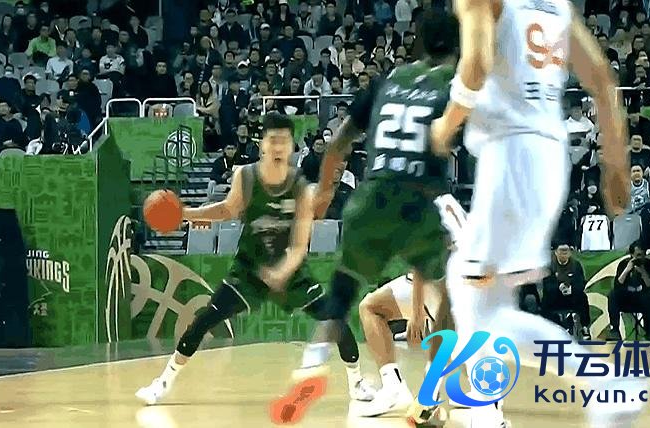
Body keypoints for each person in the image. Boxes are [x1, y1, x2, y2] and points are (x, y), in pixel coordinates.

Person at [425, 0, 639, 426]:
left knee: (468, 291)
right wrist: (616, 161)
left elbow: (476, 65)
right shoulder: (557, 5)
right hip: (549, 155)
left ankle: (598, 385)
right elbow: (601, 78)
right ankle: (591, 389)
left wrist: (445, 126)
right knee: (488, 302)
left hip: (510, 155)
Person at [269, 11, 458, 424]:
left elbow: (338, 142)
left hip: (368, 200)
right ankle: (431, 393)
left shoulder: (387, 81)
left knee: (342, 295)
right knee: (445, 303)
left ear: (418, 43)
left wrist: (324, 191)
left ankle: (313, 364)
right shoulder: (454, 85)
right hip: (419, 200)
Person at [135, 113, 375, 406]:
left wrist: (281, 272)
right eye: (272, 140)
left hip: (291, 273)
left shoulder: (301, 186)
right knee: (204, 320)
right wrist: (186, 214)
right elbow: (227, 210)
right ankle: (162, 383)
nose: (278, 147)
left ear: (291, 147)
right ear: (262, 144)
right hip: (249, 270)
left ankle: (357, 383)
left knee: (335, 319)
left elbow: (300, 244)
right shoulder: (245, 176)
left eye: (284, 141)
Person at [355, 194, 466, 420]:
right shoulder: (447, 202)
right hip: (455, 288)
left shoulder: (418, 204)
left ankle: (470, 393)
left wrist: (416, 315)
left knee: (454, 347)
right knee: (370, 307)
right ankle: (394, 387)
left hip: (447, 289)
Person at [607, 242, 650, 341]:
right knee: (612, 294)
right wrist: (627, 270)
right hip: (627, 300)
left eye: (643, 254)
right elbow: (617, 285)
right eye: (638, 255)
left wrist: (643, 272)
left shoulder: (649, 264)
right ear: (632, 255)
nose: (641, 258)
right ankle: (614, 330)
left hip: (643, 300)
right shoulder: (623, 264)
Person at [540, 244, 591, 339]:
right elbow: (546, 285)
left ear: (570, 253)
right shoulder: (549, 267)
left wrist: (571, 289)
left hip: (572, 297)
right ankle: (553, 327)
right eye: (561, 251)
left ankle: (585, 327)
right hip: (556, 297)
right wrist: (559, 288)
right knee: (545, 300)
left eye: (566, 251)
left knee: (583, 297)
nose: (564, 254)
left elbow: (581, 283)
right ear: (556, 252)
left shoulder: (576, 265)